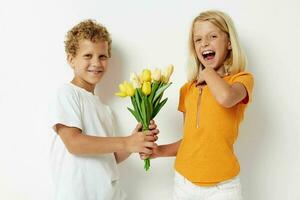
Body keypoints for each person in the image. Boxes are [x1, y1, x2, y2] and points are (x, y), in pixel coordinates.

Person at [141, 10, 254, 200]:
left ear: (229, 43)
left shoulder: (241, 80)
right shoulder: (188, 89)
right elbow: (190, 140)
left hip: (223, 187)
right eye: (198, 39)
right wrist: (158, 151)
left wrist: (207, 73)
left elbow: (226, 98)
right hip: (184, 183)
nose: (205, 43)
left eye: (213, 36)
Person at [49, 19, 158, 200]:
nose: (96, 63)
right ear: (71, 59)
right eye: (87, 56)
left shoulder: (103, 108)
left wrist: (135, 141)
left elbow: (111, 157)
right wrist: (126, 142)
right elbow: (74, 143)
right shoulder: (67, 93)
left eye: (102, 56)